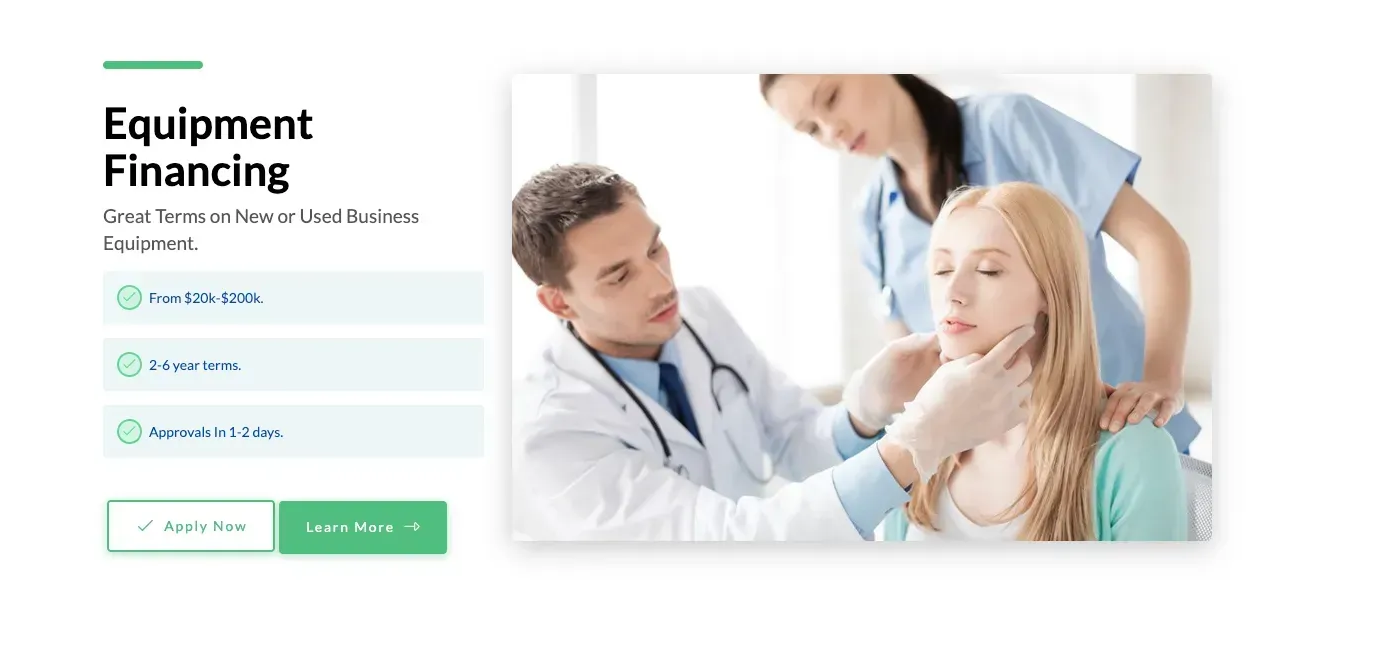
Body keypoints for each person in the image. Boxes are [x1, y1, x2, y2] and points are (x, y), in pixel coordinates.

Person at [511, 163, 1035, 541]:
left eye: (654, 248)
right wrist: (912, 446)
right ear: (557, 300)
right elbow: (728, 540)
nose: (660, 283)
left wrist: (863, 411)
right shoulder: (555, 430)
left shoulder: (699, 315)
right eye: (620, 275)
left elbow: (793, 438)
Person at [758, 74, 1201, 453]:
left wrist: (1160, 380)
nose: (831, 130)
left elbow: (1158, 243)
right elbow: (922, 360)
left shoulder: (1009, 127)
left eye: (831, 98)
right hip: (1014, 465)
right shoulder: (873, 219)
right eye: (810, 129)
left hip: (1126, 421)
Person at [880, 182, 1188, 541]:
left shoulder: (1132, 454)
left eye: (988, 270)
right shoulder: (915, 445)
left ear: (1050, 291)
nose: (953, 292)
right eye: (943, 270)